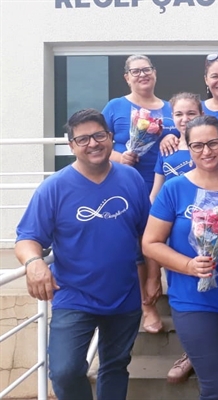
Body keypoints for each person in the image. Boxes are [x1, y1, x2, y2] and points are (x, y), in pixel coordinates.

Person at [15, 109, 151, 400]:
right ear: (72, 145)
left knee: (116, 366)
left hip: (124, 294)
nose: (93, 143)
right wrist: (34, 261)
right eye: (83, 138)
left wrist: (151, 278)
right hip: (74, 296)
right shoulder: (54, 188)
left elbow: (147, 236)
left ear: (111, 138)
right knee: (64, 371)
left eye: (99, 135)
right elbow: (27, 238)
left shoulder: (132, 180)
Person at [142, 115, 218, 400]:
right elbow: (150, 243)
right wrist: (188, 265)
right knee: (217, 389)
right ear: (188, 147)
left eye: (212, 143)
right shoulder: (174, 189)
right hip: (194, 300)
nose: (206, 151)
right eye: (197, 146)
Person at [102, 54, 179, 335]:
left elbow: (186, 136)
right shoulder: (115, 107)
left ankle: (163, 287)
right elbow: (99, 143)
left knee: (164, 239)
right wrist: (119, 156)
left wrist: (173, 137)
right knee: (136, 243)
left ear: (155, 73)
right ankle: (147, 306)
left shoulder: (171, 109)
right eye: (135, 71)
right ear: (127, 77)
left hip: (165, 185)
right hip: (126, 184)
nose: (142, 75)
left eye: (146, 69)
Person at [149, 92, 203, 384]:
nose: (185, 119)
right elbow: (156, 192)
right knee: (181, 293)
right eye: (179, 115)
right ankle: (191, 352)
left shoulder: (209, 146)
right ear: (172, 118)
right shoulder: (166, 148)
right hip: (176, 235)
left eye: (191, 113)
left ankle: (200, 353)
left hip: (210, 233)